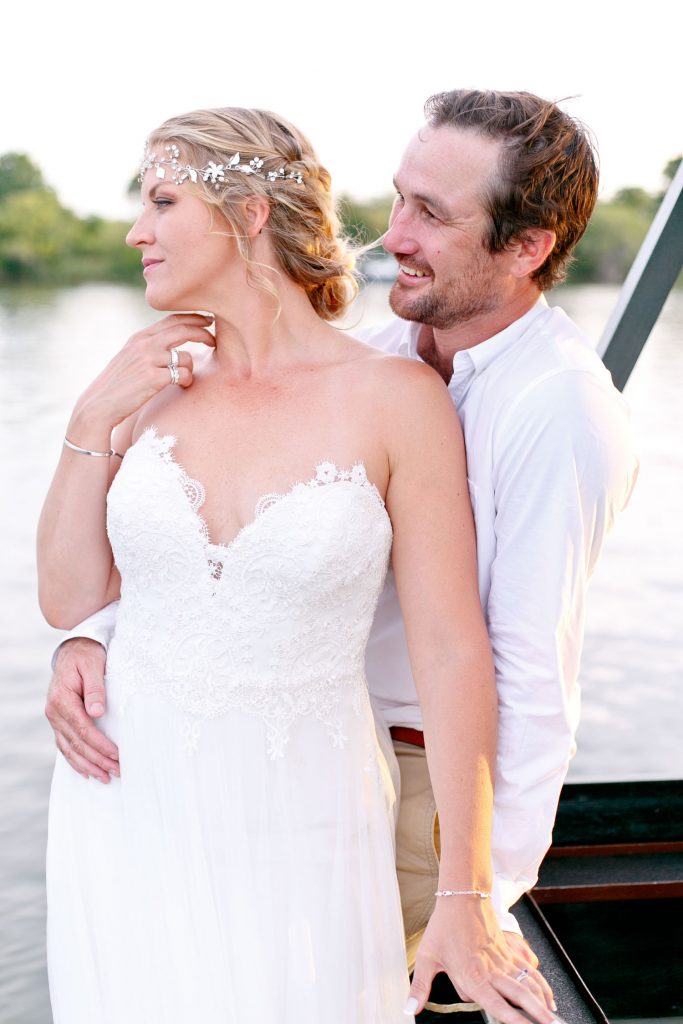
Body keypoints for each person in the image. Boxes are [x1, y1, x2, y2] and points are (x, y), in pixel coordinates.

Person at [38, 107, 555, 1024]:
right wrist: (88, 424)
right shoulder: (145, 388)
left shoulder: (397, 398)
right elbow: (71, 597)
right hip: (123, 796)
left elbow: (450, 651)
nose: (134, 230)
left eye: (162, 200)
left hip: (308, 804)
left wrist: (467, 896)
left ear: (245, 215)